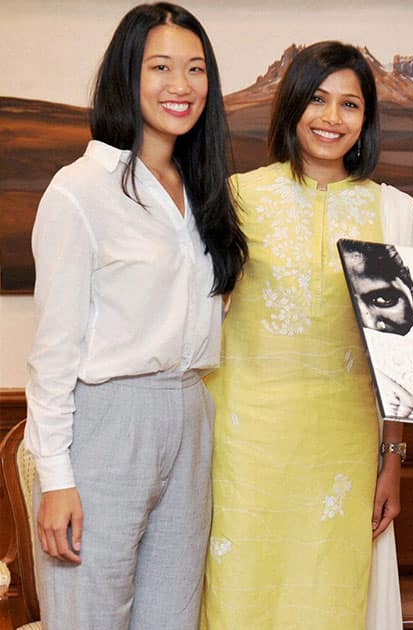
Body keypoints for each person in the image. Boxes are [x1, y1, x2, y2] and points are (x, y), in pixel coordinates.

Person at [25, 3, 247, 628]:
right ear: (128, 74)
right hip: (108, 421)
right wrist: (56, 479)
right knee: (89, 615)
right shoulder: (79, 191)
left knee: (172, 618)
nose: (182, 86)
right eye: (161, 67)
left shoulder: (204, 187)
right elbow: (53, 354)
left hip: (192, 411)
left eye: (197, 69)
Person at [201, 41, 413, 630]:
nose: (332, 118)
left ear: (366, 118)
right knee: (240, 593)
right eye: (318, 99)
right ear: (292, 106)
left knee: (332, 595)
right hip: (243, 446)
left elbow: (404, 357)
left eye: (349, 105)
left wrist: (391, 460)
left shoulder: (394, 213)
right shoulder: (237, 199)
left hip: (344, 450)